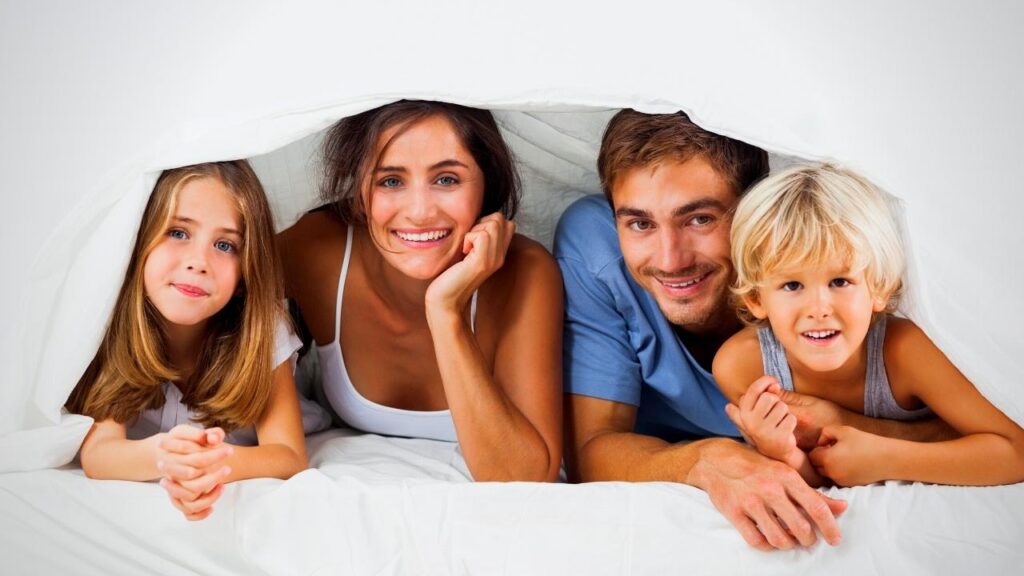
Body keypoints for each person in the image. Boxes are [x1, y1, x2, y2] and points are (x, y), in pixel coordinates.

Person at [555, 110, 953, 551]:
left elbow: (969, 430)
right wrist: (710, 459)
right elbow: (590, 450)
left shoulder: (824, 290)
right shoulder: (594, 245)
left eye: (700, 219)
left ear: (754, 209)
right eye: (640, 224)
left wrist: (851, 428)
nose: (670, 259)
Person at [279, 100, 562, 482]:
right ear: (361, 190)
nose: (420, 212)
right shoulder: (319, 249)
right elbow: (203, 296)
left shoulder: (525, 272)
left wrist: (446, 313)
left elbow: (523, 478)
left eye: (447, 179)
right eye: (391, 181)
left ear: (486, 184)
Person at [714, 162, 1024, 487]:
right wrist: (783, 453)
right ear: (756, 299)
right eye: (792, 286)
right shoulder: (743, 366)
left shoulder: (904, 352)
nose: (818, 308)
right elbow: (820, 474)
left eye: (839, 281)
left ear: (878, 287)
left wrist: (887, 459)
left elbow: (1015, 448)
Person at [66, 161, 310, 521]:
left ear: (245, 272)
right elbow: (99, 454)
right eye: (178, 233)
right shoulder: (112, 323)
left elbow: (289, 454)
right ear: (138, 241)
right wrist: (166, 457)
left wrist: (210, 465)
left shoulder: (263, 329)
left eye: (225, 245)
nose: (199, 262)